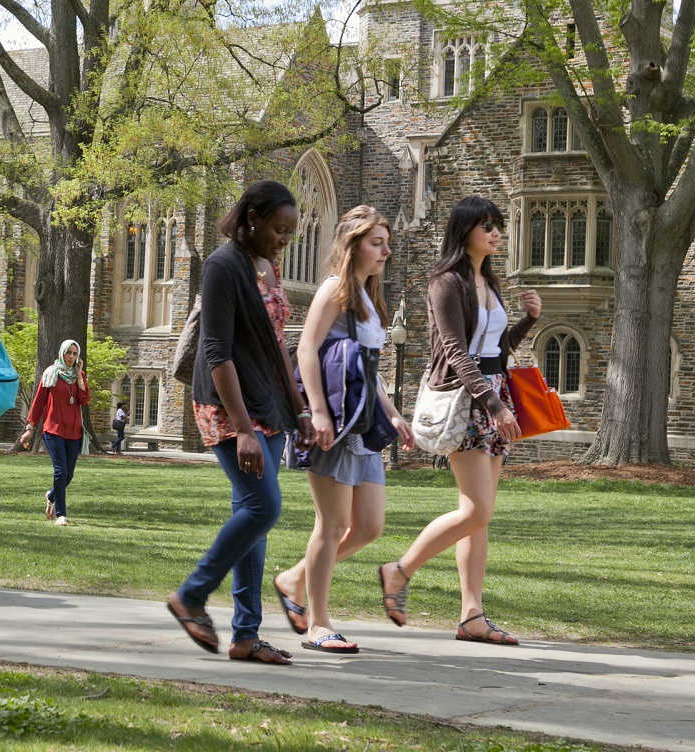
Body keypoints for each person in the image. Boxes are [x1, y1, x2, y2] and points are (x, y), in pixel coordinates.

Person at [377, 196, 541, 645]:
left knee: (479, 517)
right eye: (486, 225)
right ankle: (398, 570)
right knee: (476, 509)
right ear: (464, 229)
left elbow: (495, 348)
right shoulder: (445, 283)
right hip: (469, 403)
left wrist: (528, 321)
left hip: (493, 394)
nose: (495, 232)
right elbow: (455, 351)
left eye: (499, 225)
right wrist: (492, 404)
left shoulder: (488, 281)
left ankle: (473, 615)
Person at [166, 180, 312, 665]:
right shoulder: (222, 266)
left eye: (290, 231)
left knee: (253, 521)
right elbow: (216, 352)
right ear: (252, 218)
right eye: (278, 228)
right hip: (229, 407)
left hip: (267, 403)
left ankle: (245, 635)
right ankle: (191, 594)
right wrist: (244, 428)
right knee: (264, 507)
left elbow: (275, 346)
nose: (284, 239)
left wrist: (300, 409)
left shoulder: (267, 267)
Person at [274, 206, 415, 653]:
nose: (386, 251)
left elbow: (367, 373)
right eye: (377, 242)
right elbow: (308, 351)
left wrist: (392, 412)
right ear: (352, 244)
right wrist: (316, 412)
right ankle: (318, 623)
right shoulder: (334, 288)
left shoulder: (370, 299)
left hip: (364, 425)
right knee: (331, 524)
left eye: (386, 242)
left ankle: (294, 578)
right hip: (333, 421)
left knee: (370, 527)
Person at [19, 340, 90, 526]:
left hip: (73, 431)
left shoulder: (78, 375)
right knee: (61, 471)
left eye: (75, 354)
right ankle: (61, 514)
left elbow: (84, 399)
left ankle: (51, 495)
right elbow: (38, 401)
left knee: (69, 475)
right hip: (53, 429)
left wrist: (80, 377)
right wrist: (30, 427)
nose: (72, 357)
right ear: (62, 353)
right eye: (69, 353)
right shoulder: (50, 373)